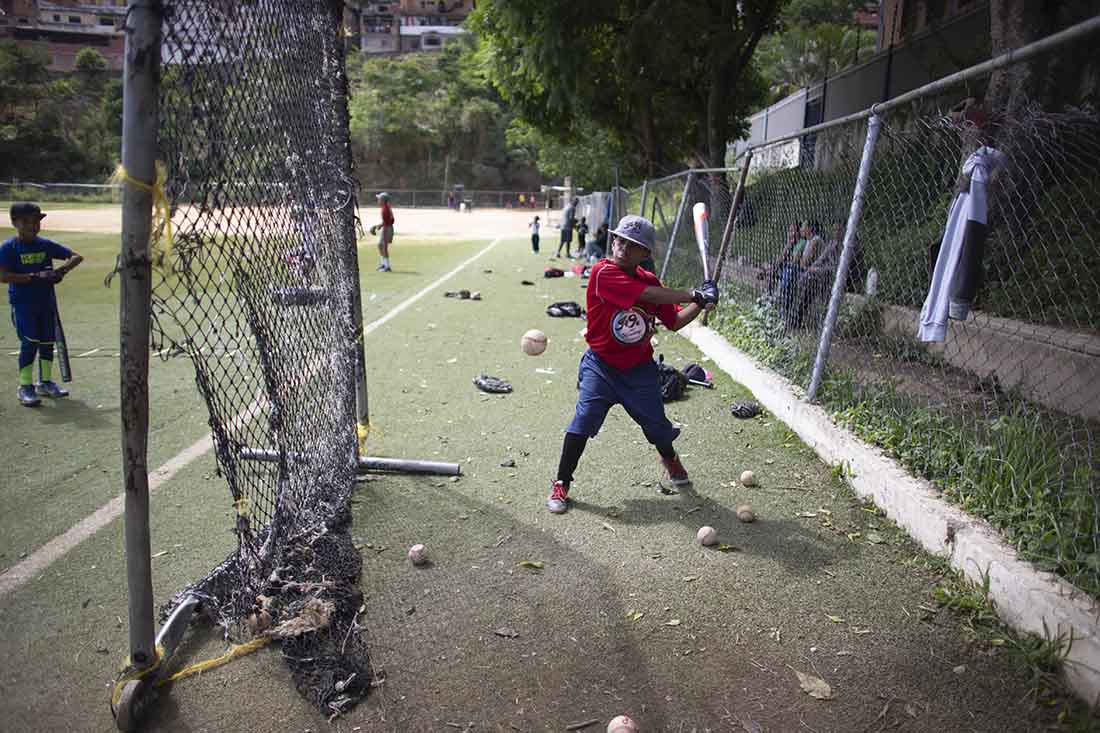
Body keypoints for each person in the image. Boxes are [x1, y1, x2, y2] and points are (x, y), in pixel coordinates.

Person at [545, 215, 719, 514]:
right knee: (583, 420)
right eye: (619, 240)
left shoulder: (651, 280)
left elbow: (675, 321)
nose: (622, 247)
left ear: (645, 254)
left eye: (632, 244)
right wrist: (694, 292)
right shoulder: (603, 272)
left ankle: (670, 459)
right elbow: (646, 296)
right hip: (601, 366)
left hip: (639, 370)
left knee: (657, 427)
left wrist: (700, 303)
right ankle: (561, 482)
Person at [0, 202, 84, 406]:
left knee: (47, 342)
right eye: (27, 221)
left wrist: (59, 272)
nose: (33, 225)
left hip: (47, 303)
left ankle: (45, 383)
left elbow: (76, 257)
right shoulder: (9, 248)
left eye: (37, 221)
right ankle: (25, 386)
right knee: (30, 342)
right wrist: (34, 276)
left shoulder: (45, 245)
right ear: (15, 223)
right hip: (23, 304)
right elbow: (3, 276)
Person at [370, 191, 395, 272]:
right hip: (386, 227)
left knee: (383, 247)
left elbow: (387, 222)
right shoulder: (386, 207)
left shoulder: (385, 209)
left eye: (379, 199)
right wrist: (378, 226)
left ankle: (387, 266)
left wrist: (376, 227)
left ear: (383, 200)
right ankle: (383, 264)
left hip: (387, 228)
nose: (378, 201)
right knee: (380, 245)